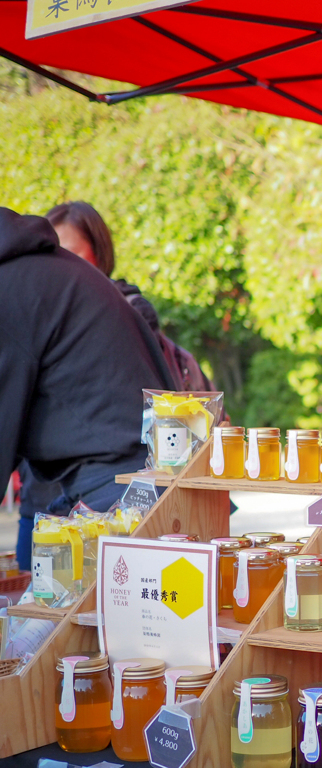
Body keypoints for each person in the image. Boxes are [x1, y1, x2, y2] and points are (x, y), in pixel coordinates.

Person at [0, 207, 175, 566]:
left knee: (107, 619)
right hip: (133, 480)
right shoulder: (44, 271)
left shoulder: (11, 287)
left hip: (121, 490)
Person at [45, 201, 212, 391]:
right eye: (51, 257)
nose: (60, 266)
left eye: (71, 255)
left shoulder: (130, 312)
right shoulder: (43, 320)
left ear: (99, 252)